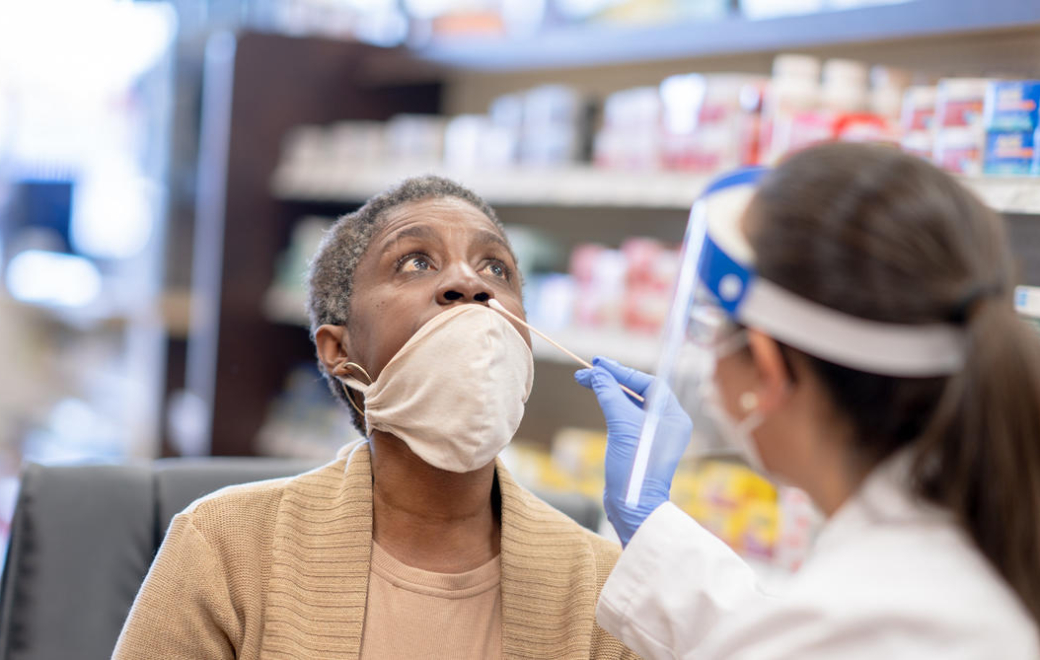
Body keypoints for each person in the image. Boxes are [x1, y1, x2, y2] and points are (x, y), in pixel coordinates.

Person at [114, 176, 637, 659]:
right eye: (415, 261)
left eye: (495, 267)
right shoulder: (224, 549)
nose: (470, 284)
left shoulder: (609, 590)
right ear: (339, 350)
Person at [576, 142, 1040, 658]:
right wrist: (651, 524)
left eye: (716, 331)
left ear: (769, 369)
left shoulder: (870, 625)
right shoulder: (968, 542)